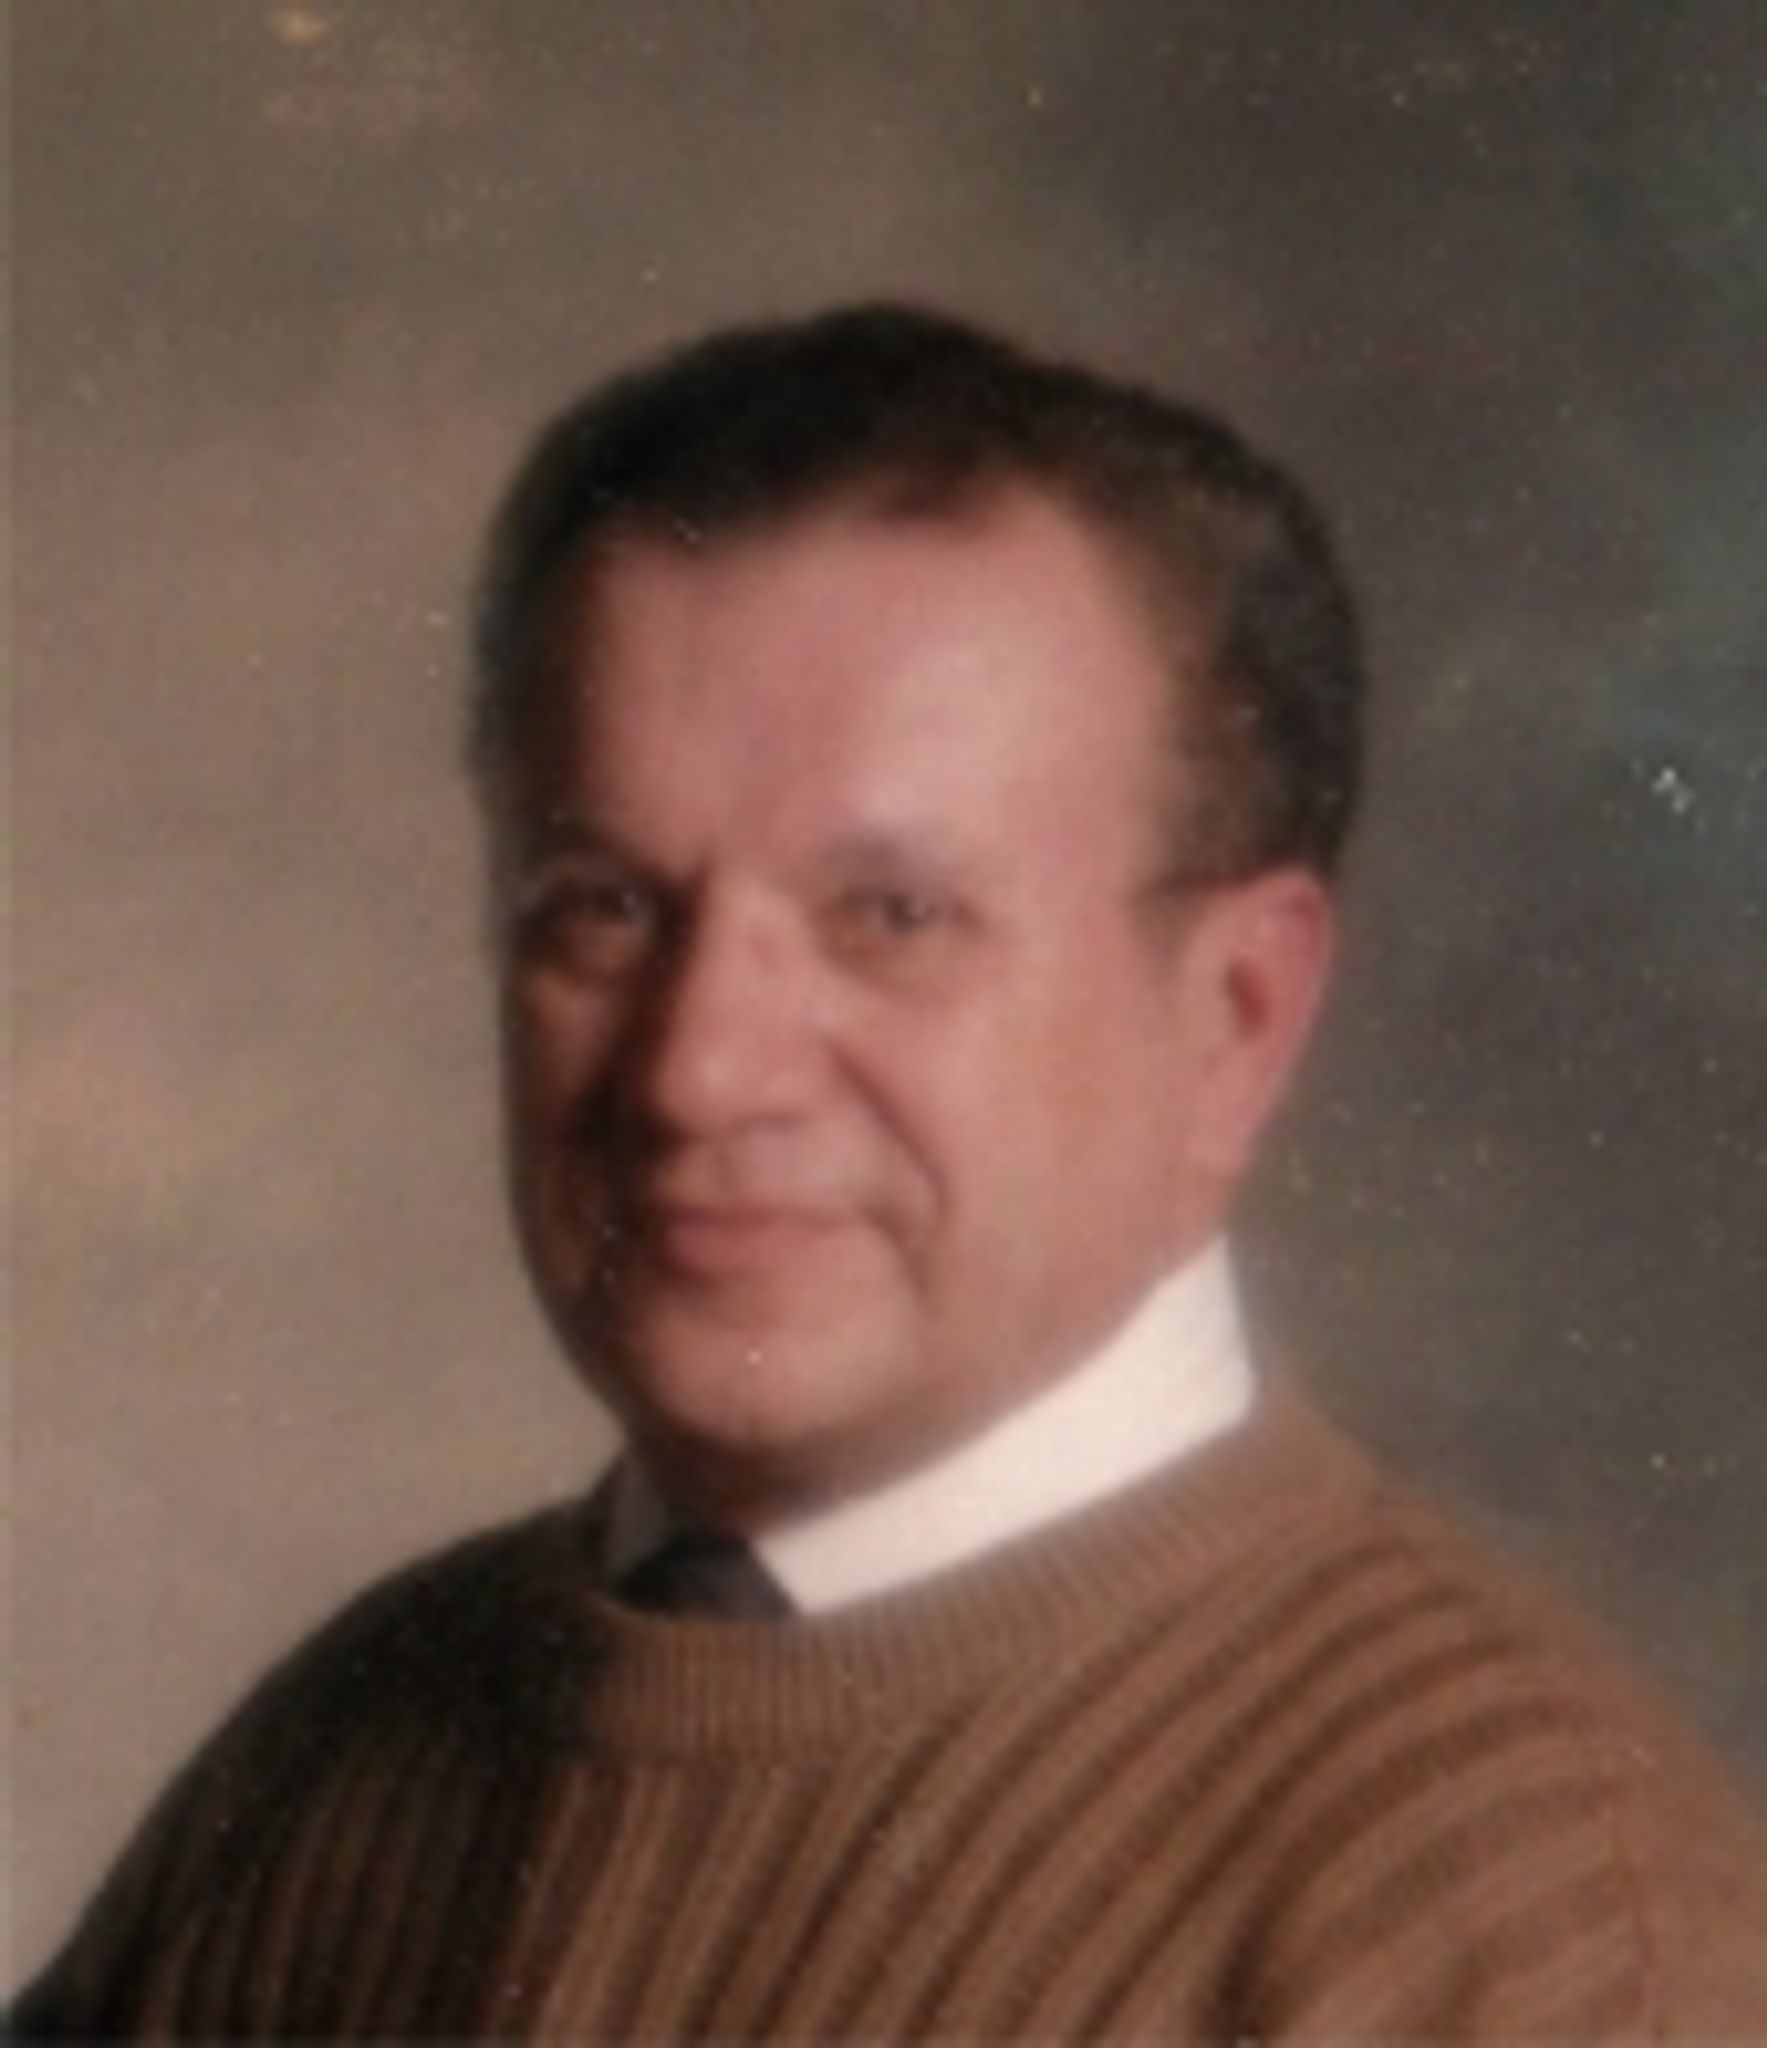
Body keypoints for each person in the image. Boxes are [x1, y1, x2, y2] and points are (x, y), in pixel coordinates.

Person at [12, 306, 1766, 2042]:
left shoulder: (1543, 1951)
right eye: (602, 908)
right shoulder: (345, 1750)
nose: (697, 1070)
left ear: (1234, 1017)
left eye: (894, 917)